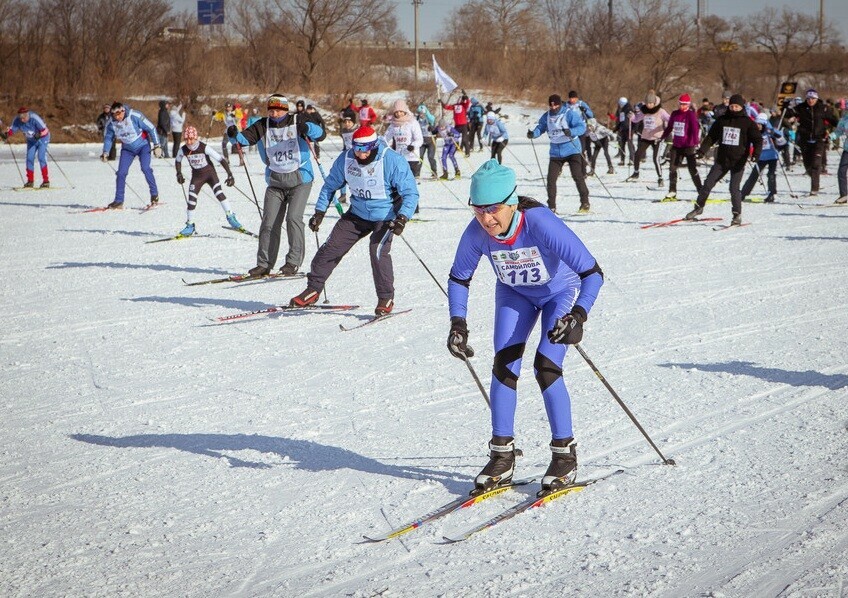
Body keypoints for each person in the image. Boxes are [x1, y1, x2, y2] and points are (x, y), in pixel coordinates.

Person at [445, 159, 604, 495]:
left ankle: (564, 454)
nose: (486, 219)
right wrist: (457, 322)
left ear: (512, 203)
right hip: (515, 296)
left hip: (558, 294)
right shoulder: (476, 233)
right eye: (478, 210)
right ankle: (502, 455)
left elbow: (592, 273)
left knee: (546, 366)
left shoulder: (540, 223)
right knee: (504, 366)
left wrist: (578, 315)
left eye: (494, 209)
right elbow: (459, 277)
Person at [291, 125, 419, 315]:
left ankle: (385, 297)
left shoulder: (392, 161)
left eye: (364, 149)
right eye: (356, 148)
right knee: (331, 247)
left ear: (374, 145)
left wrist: (402, 217)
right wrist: (319, 212)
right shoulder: (347, 158)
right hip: (357, 214)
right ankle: (313, 289)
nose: (359, 154)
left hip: (385, 216)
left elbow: (410, 193)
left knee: (377, 251)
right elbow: (329, 186)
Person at [228, 94, 324, 277]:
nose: (274, 113)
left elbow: (320, 134)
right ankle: (264, 264)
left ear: (285, 110)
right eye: (271, 110)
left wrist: (307, 128)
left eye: (278, 110)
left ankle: (292, 262)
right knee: (269, 223)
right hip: (275, 181)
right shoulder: (263, 125)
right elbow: (244, 140)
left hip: (300, 178)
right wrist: (233, 136)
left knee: (293, 219)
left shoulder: (297, 119)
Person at [684, 94, 762, 226]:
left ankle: (736, 215)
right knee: (708, 184)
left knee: (734, 188)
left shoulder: (747, 122)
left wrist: (756, 154)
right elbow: (710, 137)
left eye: (736, 106)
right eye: (732, 106)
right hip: (722, 160)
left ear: (741, 107)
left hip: (738, 161)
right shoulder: (722, 120)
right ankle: (698, 207)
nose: (734, 108)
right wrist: (702, 151)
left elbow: (758, 140)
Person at [174, 125, 242, 236]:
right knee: (191, 200)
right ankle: (190, 225)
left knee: (219, 193)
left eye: (191, 139)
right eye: (186, 139)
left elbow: (220, 159)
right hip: (197, 177)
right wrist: (179, 173)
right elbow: (178, 160)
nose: (189, 142)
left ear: (196, 138)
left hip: (210, 174)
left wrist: (230, 174)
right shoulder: (183, 149)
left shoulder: (203, 147)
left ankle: (231, 217)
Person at [527, 94, 590, 213]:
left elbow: (581, 127)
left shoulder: (569, 113)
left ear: (560, 104)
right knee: (551, 179)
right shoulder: (547, 116)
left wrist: (571, 131)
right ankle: (551, 206)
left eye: (555, 104)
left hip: (572, 149)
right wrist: (533, 134)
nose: (553, 107)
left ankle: (585, 202)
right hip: (556, 152)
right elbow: (541, 127)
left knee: (577, 176)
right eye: (551, 105)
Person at [100, 102, 162, 208]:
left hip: (143, 146)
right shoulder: (111, 123)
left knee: (145, 168)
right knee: (121, 173)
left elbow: (151, 128)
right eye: (115, 115)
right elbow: (108, 138)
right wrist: (105, 152)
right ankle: (119, 200)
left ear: (123, 110)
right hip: (127, 150)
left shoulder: (134, 116)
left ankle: (154, 194)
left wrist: (157, 145)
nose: (118, 117)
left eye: (120, 114)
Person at [787, 89, 837, 195]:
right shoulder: (801, 108)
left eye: (813, 98)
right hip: (805, 140)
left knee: (816, 164)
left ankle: (814, 189)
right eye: (809, 98)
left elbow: (834, 121)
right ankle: (814, 177)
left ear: (817, 98)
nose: (810, 101)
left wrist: (830, 130)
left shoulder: (823, 108)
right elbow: (788, 114)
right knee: (808, 165)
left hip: (819, 139)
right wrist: (786, 106)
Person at [659, 93, 703, 200]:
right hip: (677, 145)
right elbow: (669, 127)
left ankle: (701, 190)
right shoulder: (675, 114)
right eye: (681, 104)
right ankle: (672, 191)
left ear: (688, 105)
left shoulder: (691, 114)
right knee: (672, 168)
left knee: (692, 169)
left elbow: (694, 129)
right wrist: (663, 136)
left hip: (688, 146)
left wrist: (696, 142)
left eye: (685, 104)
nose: (683, 106)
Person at [626, 91, 669, 185]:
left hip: (657, 138)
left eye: (651, 103)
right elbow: (636, 119)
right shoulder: (644, 111)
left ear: (654, 103)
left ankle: (660, 178)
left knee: (655, 158)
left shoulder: (660, 111)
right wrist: (632, 116)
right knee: (637, 154)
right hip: (646, 137)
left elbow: (669, 119)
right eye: (647, 103)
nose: (649, 105)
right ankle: (636, 172)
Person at [4, 107, 51, 188]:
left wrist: (39, 134)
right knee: (29, 158)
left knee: (41, 157)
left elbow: (45, 130)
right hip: (31, 141)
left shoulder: (34, 118)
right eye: (20, 118)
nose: (22, 120)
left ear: (27, 115)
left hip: (42, 139)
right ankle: (30, 181)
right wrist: (7, 134)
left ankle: (46, 181)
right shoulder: (17, 120)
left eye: (24, 118)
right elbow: (12, 130)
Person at [740, 113, 782, 204]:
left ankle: (772, 193)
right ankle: (743, 193)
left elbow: (780, 136)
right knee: (754, 175)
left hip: (772, 156)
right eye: (756, 124)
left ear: (764, 124)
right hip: (761, 157)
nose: (758, 126)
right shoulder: (754, 133)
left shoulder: (769, 131)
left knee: (771, 175)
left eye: (760, 124)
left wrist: (773, 133)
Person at [382, 99, 423, 178]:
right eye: (396, 112)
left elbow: (419, 139)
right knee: (399, 181)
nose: (398, 114)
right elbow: (386, 139)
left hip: (411, 157)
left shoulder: (412, 122)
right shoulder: (393, 124)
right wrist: (385, 147)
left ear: (405, 111)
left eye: (401, 111)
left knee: (409, 181)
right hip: (399, 156)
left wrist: (413, 146)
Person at [565, 90, 594, 162]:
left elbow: (591, 115)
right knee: (570, 148)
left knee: (582, 148)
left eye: (573, 98)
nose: (572, 100)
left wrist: (585, 110)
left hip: (581, 129)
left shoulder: (581, 104)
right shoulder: (566, 105)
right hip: (571, 130)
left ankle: (582, 164)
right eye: (570, 98)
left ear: (577, 98)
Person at [441, 91, 471, 156]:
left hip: (464, 125)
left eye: (461, 100)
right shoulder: (454, 106)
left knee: (464, 139)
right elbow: (446, 107)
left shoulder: (464, 106)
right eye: (459, 99)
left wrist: (465, 95)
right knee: (454, 138)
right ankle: (454, 149)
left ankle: (467, 152)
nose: (459, 101)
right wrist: (441, 102)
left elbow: (468, 102)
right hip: (457, 125)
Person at [416, 104, 438, 178]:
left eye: (422, 113)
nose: (421, 114)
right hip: (422, 141)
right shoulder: (417, 119)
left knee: (430, 157)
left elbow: (432, 120)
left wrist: (431, 127)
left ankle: (434, 172)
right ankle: (417, 173)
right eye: (420, 113)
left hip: (430, 140)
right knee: (420, 157)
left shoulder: (429, 118)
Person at [614, 97, 634, 166]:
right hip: (622, 129)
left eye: (620, 104)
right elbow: (621, 120)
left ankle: (631, 159)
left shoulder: (629, 109)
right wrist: (617, 128)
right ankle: (622, 160)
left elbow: (633, 119)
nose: (619, 105)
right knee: (622, 145)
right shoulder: (621, 110)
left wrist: (633, 128)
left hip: (629, 129)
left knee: (630, 145)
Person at [833, 108, 847, 204]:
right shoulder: (845, 119)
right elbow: (838, 131)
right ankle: (844, 195)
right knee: (841, 172)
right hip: (847, 149)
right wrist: (831, 136)